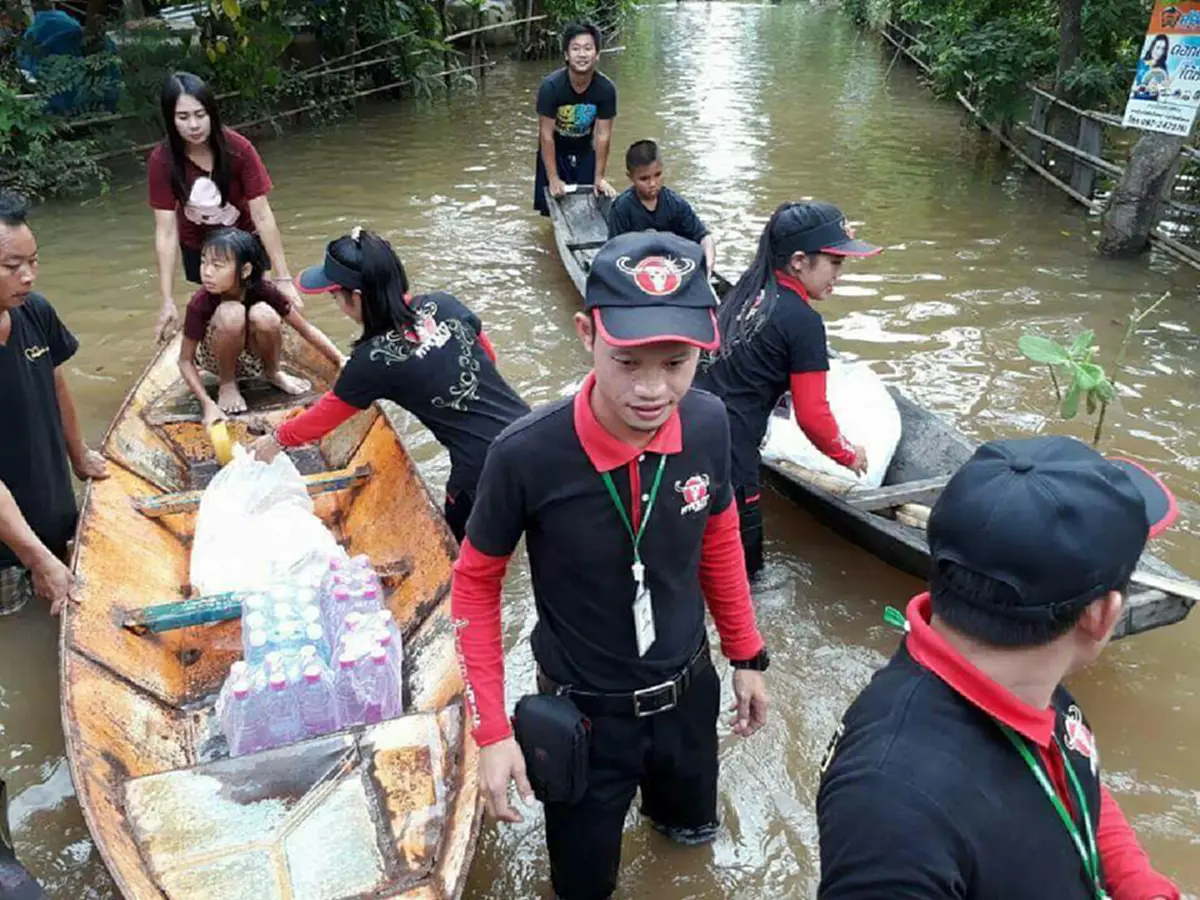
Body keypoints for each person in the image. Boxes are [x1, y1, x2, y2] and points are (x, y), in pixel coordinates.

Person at [452, 232, 770, 900]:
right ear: (586, 333)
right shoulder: (526, 456)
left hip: (688, 697)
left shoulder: (710, 423)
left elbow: (719, 539)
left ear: (703, 349)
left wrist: (746, 656)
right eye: (628, 362)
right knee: (582, 886)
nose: (653, 390)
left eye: (677, 362)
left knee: (690, 848)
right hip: (582, 719)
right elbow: (475, 586)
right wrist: (491, 732)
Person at [817, 435, 1181, 900]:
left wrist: (1138, 885)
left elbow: (1070, 779)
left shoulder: (1026, 679)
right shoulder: (891, 813)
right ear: (1102, 614)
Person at [249, 228, 529, 541]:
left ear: (356, 298)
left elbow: (326, 417)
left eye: (334, 296)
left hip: (483, 467)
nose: (337, 305)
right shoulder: (443, 304)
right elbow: (487, 356)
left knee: (463, 546)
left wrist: (277, 439)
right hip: (533, 430)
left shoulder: (372, 360)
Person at [695, 201, 880, 578]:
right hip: (731, 449)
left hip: (693, 425)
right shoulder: (803, 322)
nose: (839, 275)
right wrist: (849, 455)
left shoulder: (746, 293)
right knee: (747, 574)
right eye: (835, 263)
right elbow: (813, 417)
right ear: (798, 260)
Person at [0, 190, 108, 617]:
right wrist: (35, 558)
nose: (28, 276)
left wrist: (78, 454)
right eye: (12, 267)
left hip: (51, 514)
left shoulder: (35, 313)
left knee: (68, 615)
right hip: (4, 552)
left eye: (33, 261)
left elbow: (57, 384)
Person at [149, 71, 303, 344]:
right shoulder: (163, 160)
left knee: (262, 313)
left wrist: (283, 277)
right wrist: (167, 300)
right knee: (227, 316)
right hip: (202, 251)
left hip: (246, 245)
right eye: (183, 117)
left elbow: (262, 214)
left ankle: (268, 361)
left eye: (200, 114)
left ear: (212, 113)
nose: (194, 125)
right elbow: (166, 232)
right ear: (170, 120)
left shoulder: (238, 149)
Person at [179, 228, 342, 421]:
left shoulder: (264, 290)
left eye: (217, 265)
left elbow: (305, 329)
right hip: (216, 359)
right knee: (232, 312)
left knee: (264, 313)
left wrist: (340, 359)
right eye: (203, 262)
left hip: (254, 358)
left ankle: (273, 372)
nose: (206, 272)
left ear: (245, 270)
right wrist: (208, 403)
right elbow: (185, 361)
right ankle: (228, 384)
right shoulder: (201, 301)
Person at [534, 22, 618, 216]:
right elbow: (546, 135)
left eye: (588, 48)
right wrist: (553, 177)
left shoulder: (606, 90)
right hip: (555, 150)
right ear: (566, 54)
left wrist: (600, 177)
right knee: (552, 206)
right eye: (576, 48)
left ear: (597, 54)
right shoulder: (551, 87)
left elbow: (603, 136)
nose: (582, 54)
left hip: (584, 149)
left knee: (590, 203)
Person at [607, 140, 715, 275]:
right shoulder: (621, 209)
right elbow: (614, 252)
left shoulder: (675, 204)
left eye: (657, 175)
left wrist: (708, 265)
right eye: (644, 178)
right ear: (631, 177)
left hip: (672, 269)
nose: (652, 184)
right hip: (637, 271)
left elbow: (704, 237)